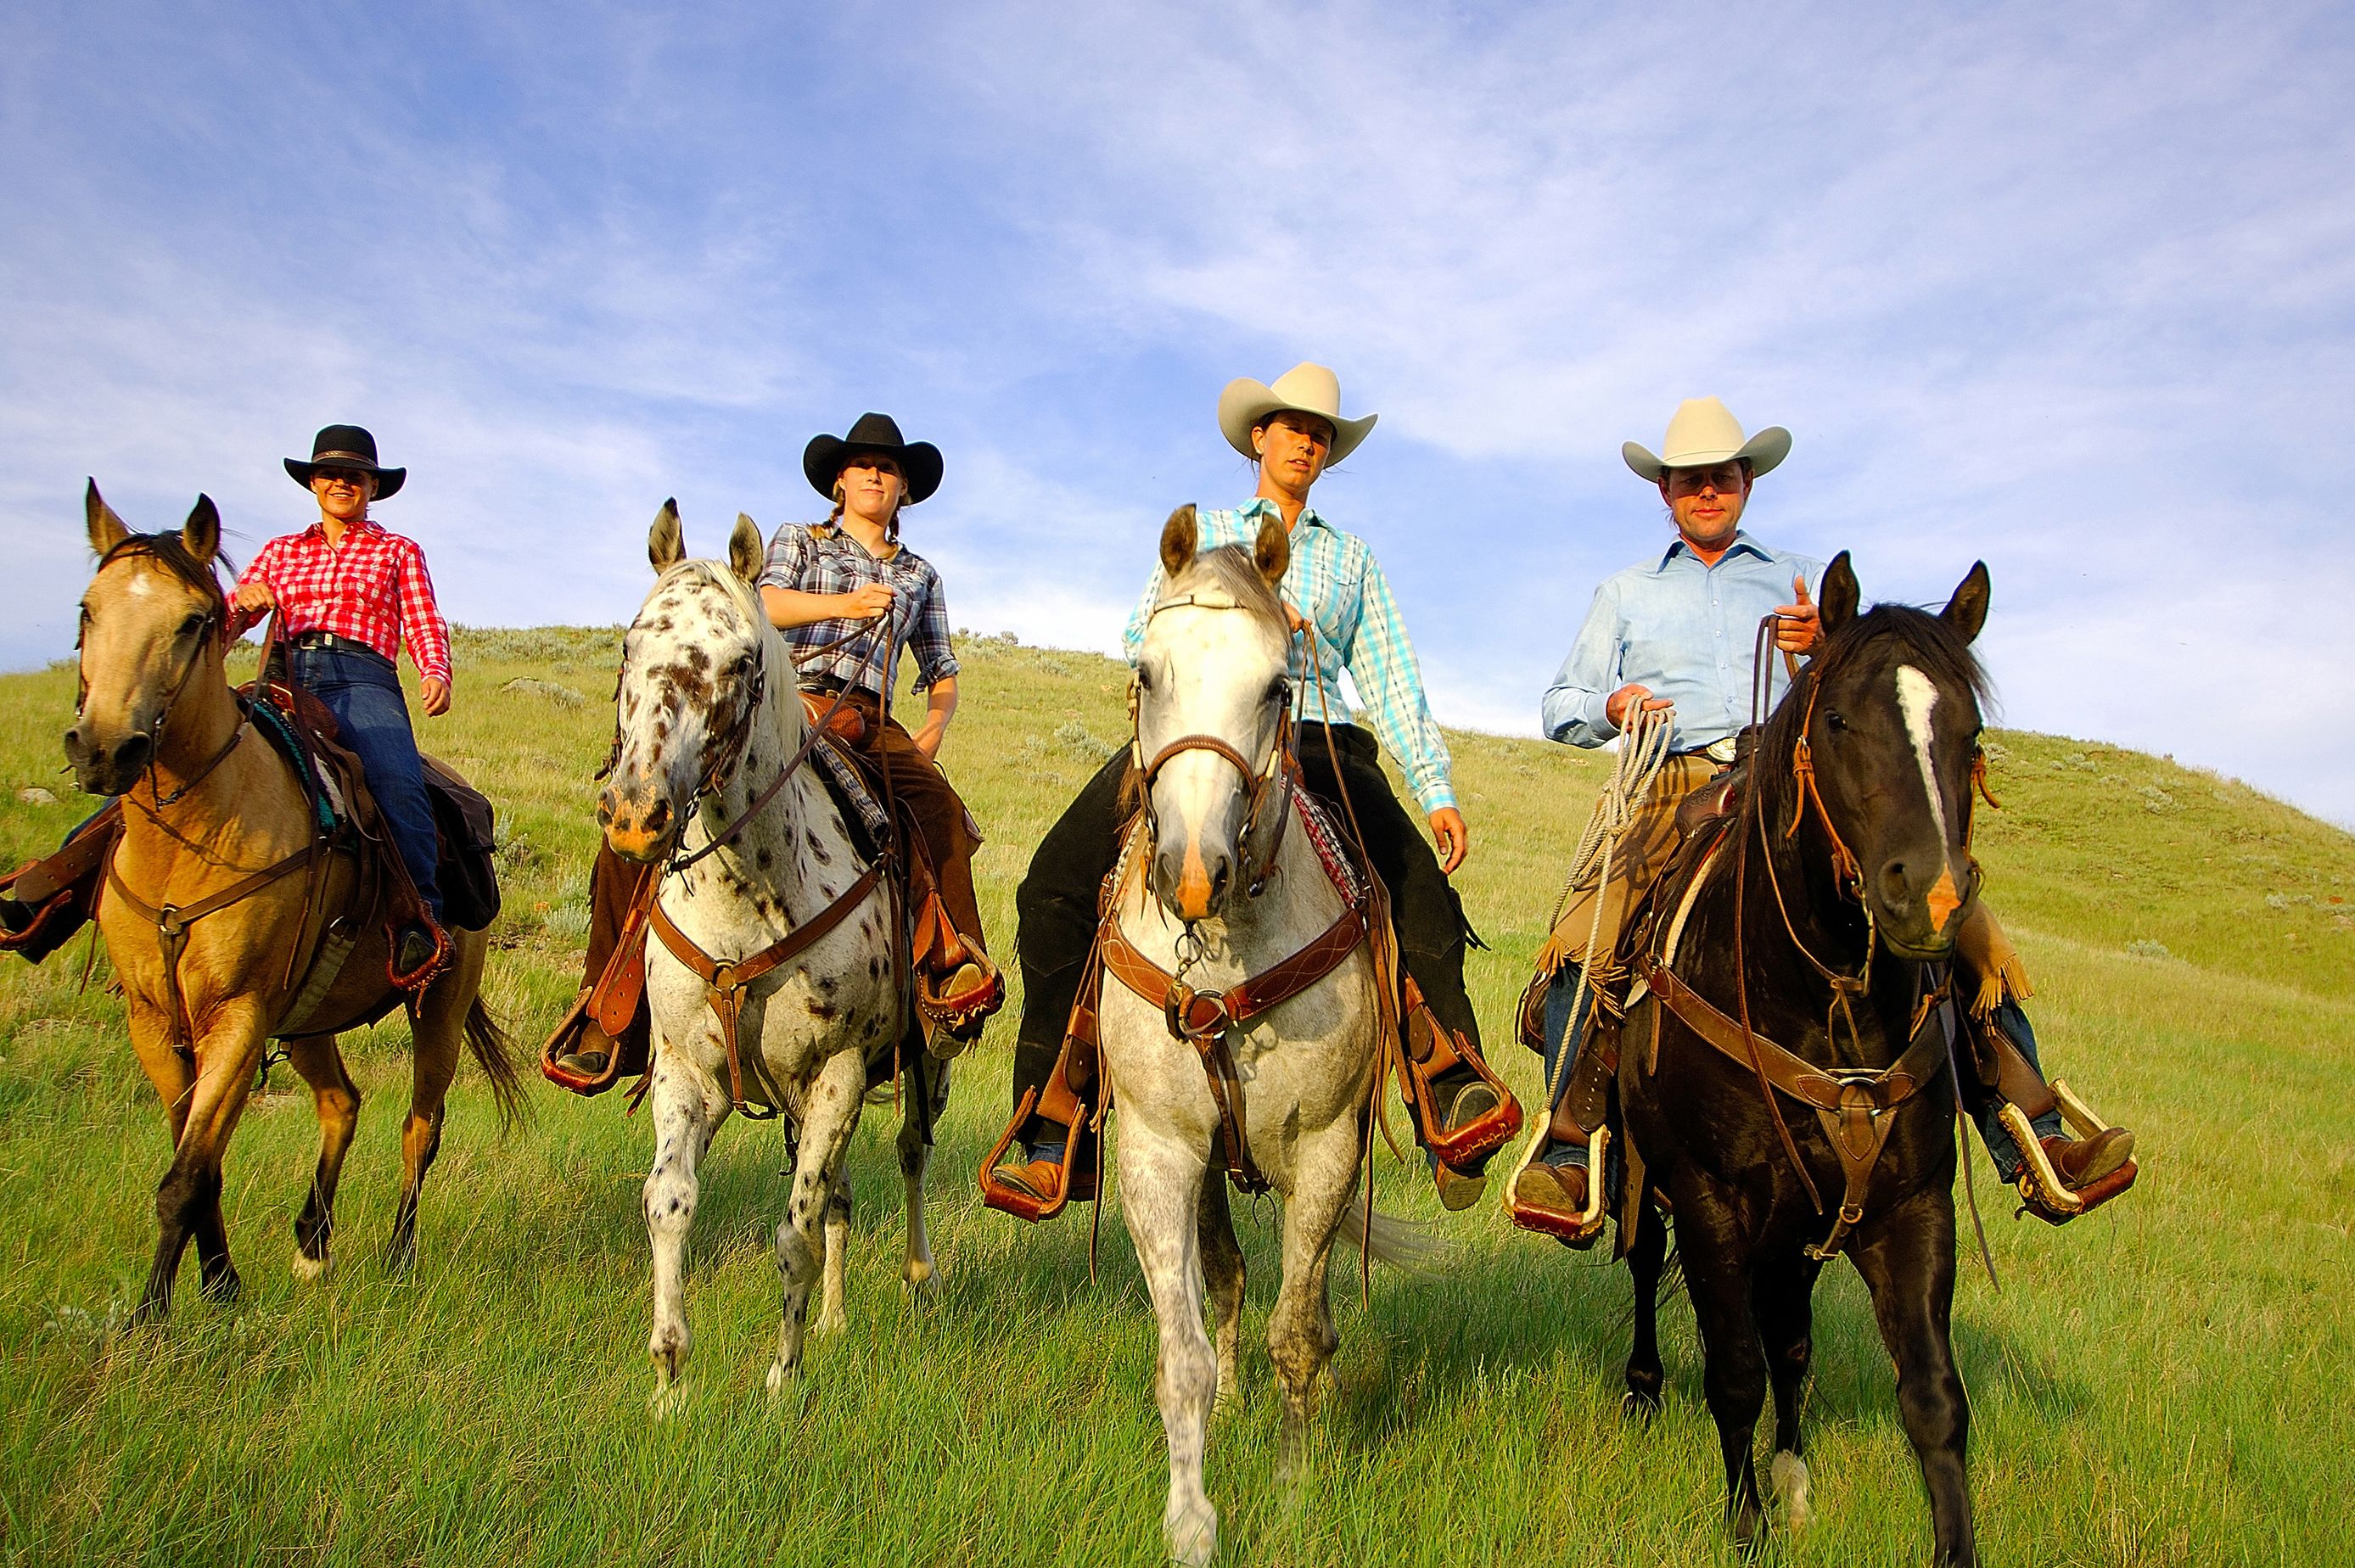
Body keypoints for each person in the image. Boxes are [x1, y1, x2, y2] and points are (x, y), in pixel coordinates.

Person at [1514, 397, 2135, 1233]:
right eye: (1690, 479)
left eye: (1723, 476)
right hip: (1674, 782)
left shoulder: (1802, 577)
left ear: (1747, 484)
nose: (1708, 490)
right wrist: (1614, 702)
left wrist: (1825, 651)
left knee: (1959, 917)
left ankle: (2036, 1135)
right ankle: (1570, 1148)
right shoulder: (1624, 594)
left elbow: (1874, 685)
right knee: (1590, 934)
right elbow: (1559, 704)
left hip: (1802, 781)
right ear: (1665, 492)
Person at [987, 363, 1520, 1215]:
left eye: (1321, 433)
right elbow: (1140, 633)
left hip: (1308, 736)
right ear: (1258, 440)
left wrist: (1435, 785)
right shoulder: (1205, 534)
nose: (1306, 441)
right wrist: (1243, 613)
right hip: (1197, 728)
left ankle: (1448, 1081)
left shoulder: (1350, 560)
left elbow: (1389, 677)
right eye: (1291, 427)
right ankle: (1052, 1110)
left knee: (1418, 884)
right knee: (1051, 883)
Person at [552, 413, 999, 1081]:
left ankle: (951, 967)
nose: (875, 473)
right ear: (840, 482)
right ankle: (605, 1006)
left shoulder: (920, 575)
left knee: (937, 808)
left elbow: (942, 671)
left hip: (870, 715)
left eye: (889, 467)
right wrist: (844, 607)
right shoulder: (801, 540)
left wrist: (933, 729)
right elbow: (758, 605)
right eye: (862, 464)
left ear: (904, 489)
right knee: (641, 809)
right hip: (784, 701)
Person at [229, 425, 450, 976]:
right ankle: (64, 886)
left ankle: (417, 919)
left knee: (399, 785)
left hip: (363, 680)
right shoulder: (280, 552)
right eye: (330, 473)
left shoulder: (398, 551)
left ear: (373, 487)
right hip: (285, 679)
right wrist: (242, 605)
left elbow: (423, 620)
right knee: (193, 752)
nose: (341, 482)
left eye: (355, 475)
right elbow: (222, 622)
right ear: (313, 483)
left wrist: (434, 670)